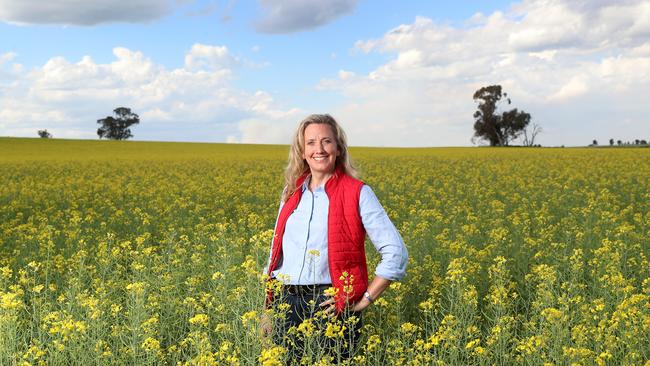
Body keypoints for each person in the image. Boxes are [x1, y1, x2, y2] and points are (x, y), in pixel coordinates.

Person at [263, 114, 408, 361]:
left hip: (329, 304)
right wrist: (268, 309)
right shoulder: (291, 193)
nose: (318, 149)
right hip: (284, 302)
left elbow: (396, 252)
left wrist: (365, 299)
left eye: (326, 141)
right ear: (301, 150)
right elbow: (276, 255)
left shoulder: (358, 192)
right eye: (310, 143)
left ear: (338, 148)